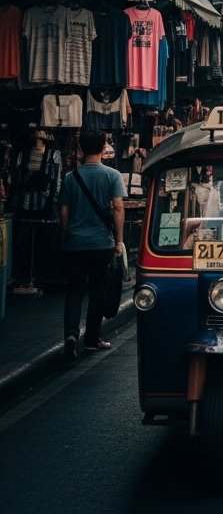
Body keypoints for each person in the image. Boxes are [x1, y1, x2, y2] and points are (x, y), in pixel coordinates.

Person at [58, 128, 126, 360]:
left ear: (81, 149)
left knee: (74, 290)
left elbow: (64, 214)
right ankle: (92, 339)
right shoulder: (112, 175)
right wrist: (119, 240)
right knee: (97, 290)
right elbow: (118, 207)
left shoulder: (70, 178)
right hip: (101, 243)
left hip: (75, 243)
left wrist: (65, 237)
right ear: (102, 147)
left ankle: (70, 335)